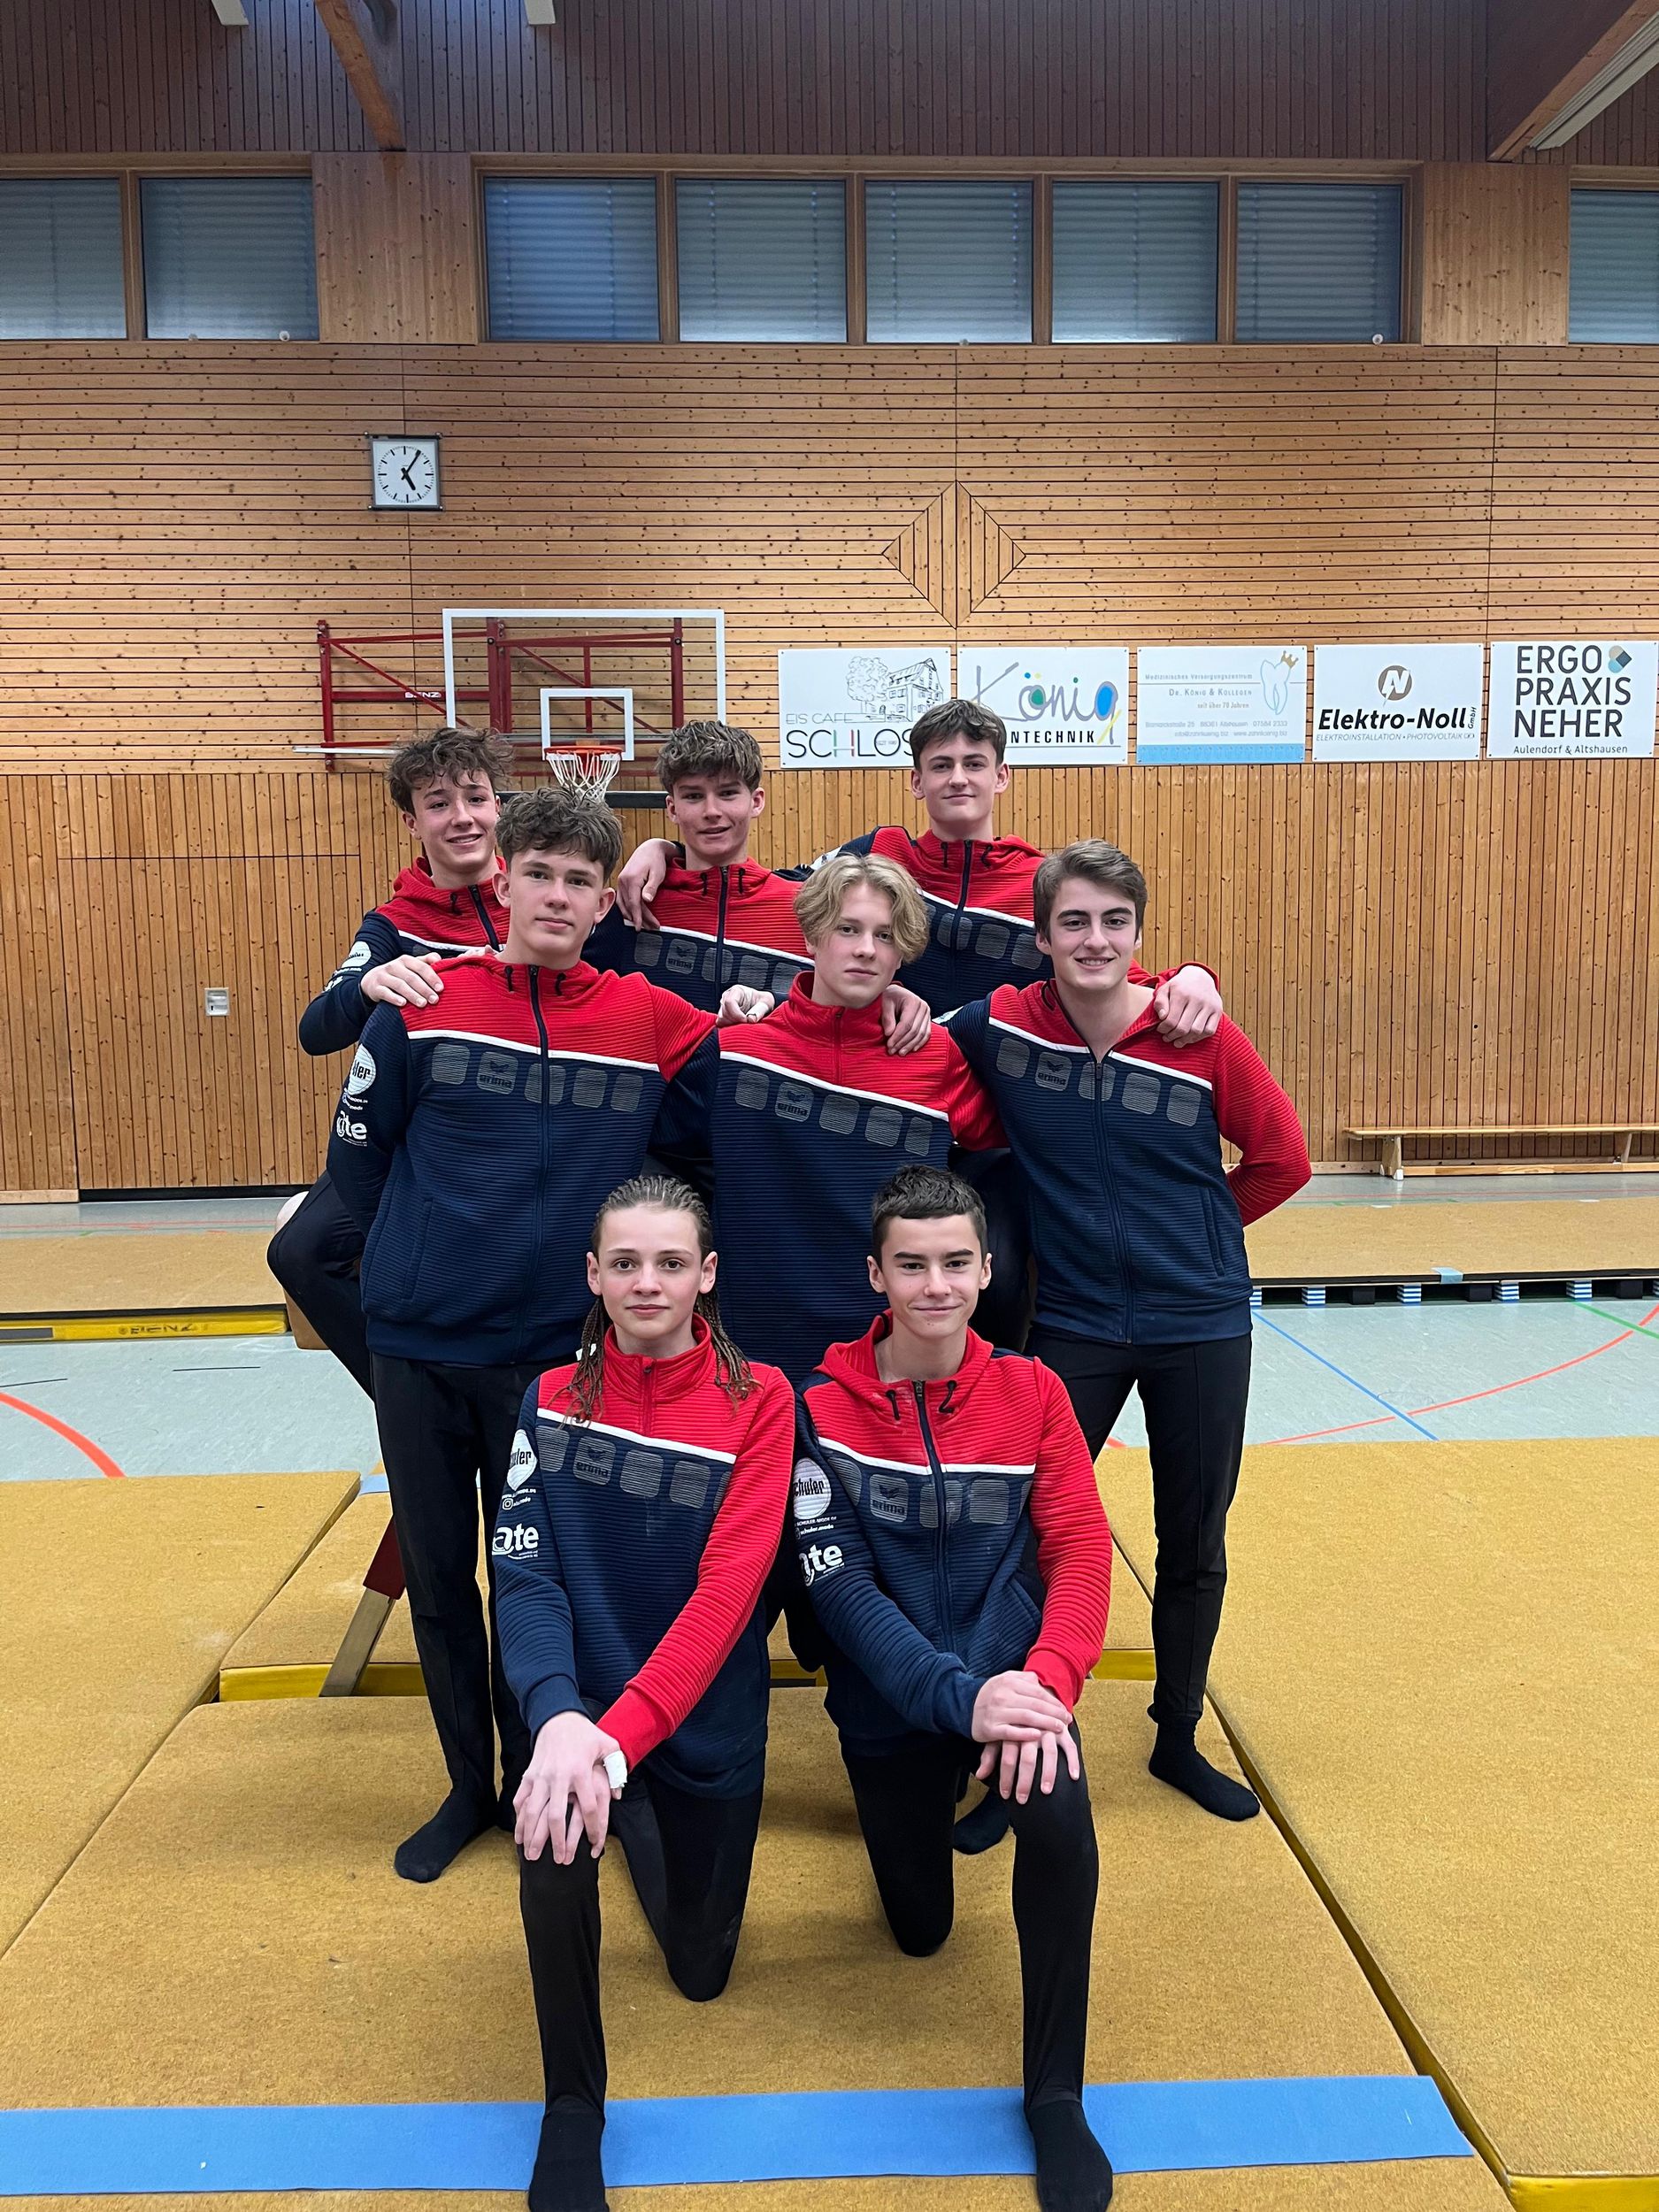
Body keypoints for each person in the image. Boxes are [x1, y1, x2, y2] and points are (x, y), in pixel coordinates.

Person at [326, 787, 726, 1883]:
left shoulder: (647, 1017)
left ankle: (555, 1771)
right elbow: (355, 1168)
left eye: (579, 880)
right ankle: (471, 1787)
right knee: (442, 1575)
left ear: (604, 902)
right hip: (421, 1348)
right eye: (538, 873)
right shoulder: (422, 1001)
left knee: (543, 1578)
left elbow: (775, 1051)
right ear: (502, 881)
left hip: (559, 1364)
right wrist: (415, 1272)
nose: (557, 895)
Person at [948, 841, 1310, 1824]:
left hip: (1199, 1321)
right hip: (1076, 1323)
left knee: (1192, 1537)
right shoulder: (1003, 1027)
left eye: (1115, 921)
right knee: (1028, 1531)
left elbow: (1282, 1158)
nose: (1094, 939)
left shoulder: (1198, 1033)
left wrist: (1200, 1237)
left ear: (1140, 935)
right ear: (1040, 937)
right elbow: (906, 1032)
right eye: (1073, 921)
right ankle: (1018, 1745)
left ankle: (1176, 1735)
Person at [794, 1164, 1116, 2212]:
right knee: (920, 1931)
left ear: (986, 1269)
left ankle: (1055, 2093)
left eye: (954, 1263)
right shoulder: (818, 1409)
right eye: (911, 1265)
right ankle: (949, 1793)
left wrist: (1045, 1684)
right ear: (876, 1274)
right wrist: (953, 1697)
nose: (935, 1286)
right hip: (894, 1703)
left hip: (1010, 1682)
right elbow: (841, 1589)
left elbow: (1078, 1550)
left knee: (1060, 1817)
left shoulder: (1035, 1392)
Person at [498, 1174, 794, 2212]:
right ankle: (573, 2106)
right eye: (624, 1261)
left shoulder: (763, 1401)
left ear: (707, 1274)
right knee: (550, 1823)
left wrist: (615, 1740)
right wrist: (558, 1718)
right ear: (593, 1273)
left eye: (670, 1262)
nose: (647, 1281)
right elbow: (525, 1575)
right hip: (584, 1719)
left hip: (702, 1721)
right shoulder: (547, 1398)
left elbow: (726, 1597)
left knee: (701, 1971)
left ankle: (629, 1803)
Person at [615, 696, 1222, 1029]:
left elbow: (1107, 961)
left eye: (974, 764)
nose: (958, 778)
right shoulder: (876, 853)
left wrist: (1192, 976)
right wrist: (664, 850)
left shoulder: (1044, 879)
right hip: (901, 1074)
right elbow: (764, 886)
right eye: (941, 765)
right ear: (916, 781)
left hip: (1005, 1097)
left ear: (1001, 776)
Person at [269, 726, 513, 1394]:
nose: (461, 817)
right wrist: (367, 985)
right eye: (438, 804)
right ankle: (407, 1396)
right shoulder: (394, 924)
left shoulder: (537, 893)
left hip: (517, 1130)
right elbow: (316, 1029)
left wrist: (660, 850)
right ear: (411, 822)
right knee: (300, 1252)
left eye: (475, 798)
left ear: (498, 806)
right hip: (416, 1143)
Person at [711, 852, 1005, 1383]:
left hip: (887, 1351)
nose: (867, 949)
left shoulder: (935, 1056)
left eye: (885, 936)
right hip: (752, 1342)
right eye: (848, 929)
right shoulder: (737, 1049)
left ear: (901, 956)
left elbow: (1022, 1143)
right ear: (811, 937)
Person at [586, 717, 930, 1051]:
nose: (711, 811)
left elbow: (840, 999)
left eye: (727, 793)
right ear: (672, 809)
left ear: (756, 801)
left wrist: (890, 993)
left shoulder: (807, 908)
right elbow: (576, 988)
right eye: (693, 796)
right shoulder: (635, 902)